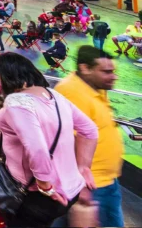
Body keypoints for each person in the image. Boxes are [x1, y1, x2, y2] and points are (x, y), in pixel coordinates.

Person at [0, 52, 98, 228]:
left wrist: (44, 184)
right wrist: (84, 166)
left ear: (7, 77)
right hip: (70, 191)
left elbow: (36, 148)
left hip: (35, 195)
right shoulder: (53, 95)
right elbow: (89, 130)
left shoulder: (17, 101)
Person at [55, 46, 123, 228]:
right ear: (85, 68)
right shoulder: (72, 91)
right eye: (107, 72)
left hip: (105, 181)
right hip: (92, 184)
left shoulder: (96, 86)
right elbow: (68, 140)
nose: (113, 76)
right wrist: (82, 186)